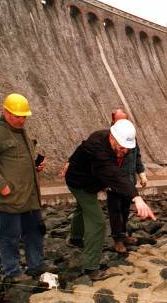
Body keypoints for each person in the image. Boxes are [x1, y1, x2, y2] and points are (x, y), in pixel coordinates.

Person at [65, 118, 156, 280]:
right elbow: (115, 175)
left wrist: (70, 161)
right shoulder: (99, 149)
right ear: (112, 138)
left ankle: (75, 239)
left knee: (82, 208)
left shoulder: (108, 138)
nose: (124, 151)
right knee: (98, 222)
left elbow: (82, 147)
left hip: (90, 182)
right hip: (79, 184)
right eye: (122, 148)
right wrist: (136, 197)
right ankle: (91, 268)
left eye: (127, 149)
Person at [0, 93, 46, 281]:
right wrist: (2, 186)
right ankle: (12, 271)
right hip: (9, 198)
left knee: (35, 233)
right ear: (6, 112)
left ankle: (36, 266)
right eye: (17, 116)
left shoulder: (21, 132)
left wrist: (35, 166)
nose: (21, 120)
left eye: (24, 116)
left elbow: (18, 160)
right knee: (10, 237)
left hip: (29, 196)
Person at [107, 110, 148, 253]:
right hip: (114, 183)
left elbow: (137, 157)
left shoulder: (131, 137)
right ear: (113, 122)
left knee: (125, 210)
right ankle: (117, 240)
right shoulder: (110, 139)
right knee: (115, 210)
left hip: (130, 182)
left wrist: (141, 173)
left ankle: (123, 234)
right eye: (119, 121)